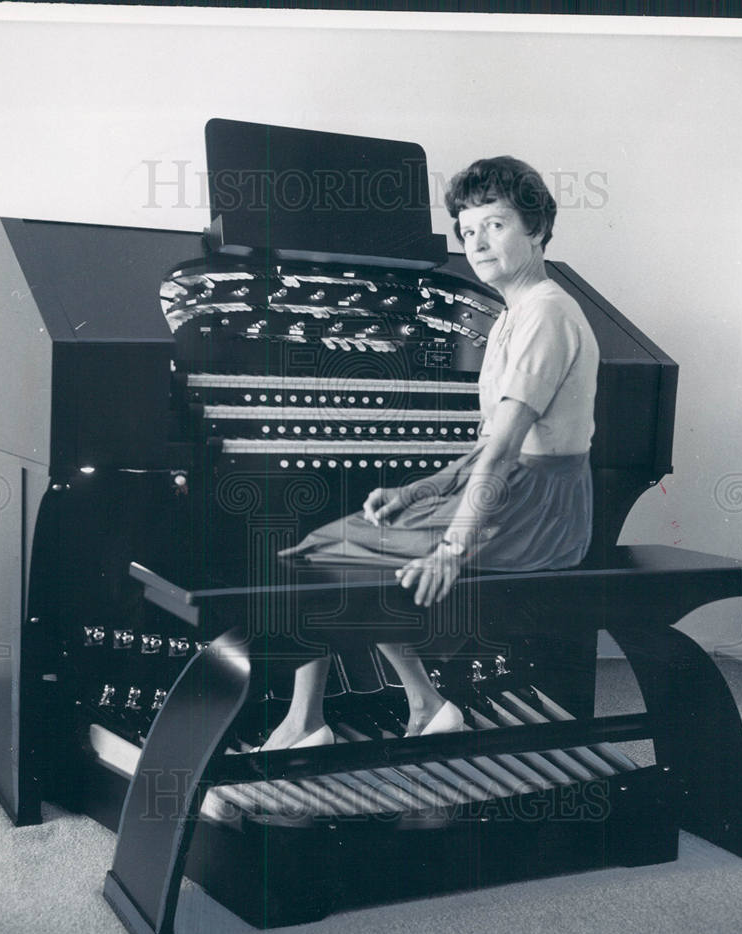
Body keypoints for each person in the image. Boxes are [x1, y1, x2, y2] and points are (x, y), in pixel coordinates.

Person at [256, 155, 600, 751]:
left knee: (322, 556)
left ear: (537, 227)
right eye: (467, 231)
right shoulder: (512, 314)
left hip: (540, 509)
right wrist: (418, 492)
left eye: (495, 225)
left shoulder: (545, 314)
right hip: (518, 494)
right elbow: (486, 447)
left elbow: (503, 454)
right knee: (331, 551)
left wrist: (450, 548)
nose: (478, 243)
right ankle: (412, 706)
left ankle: (319, 720)